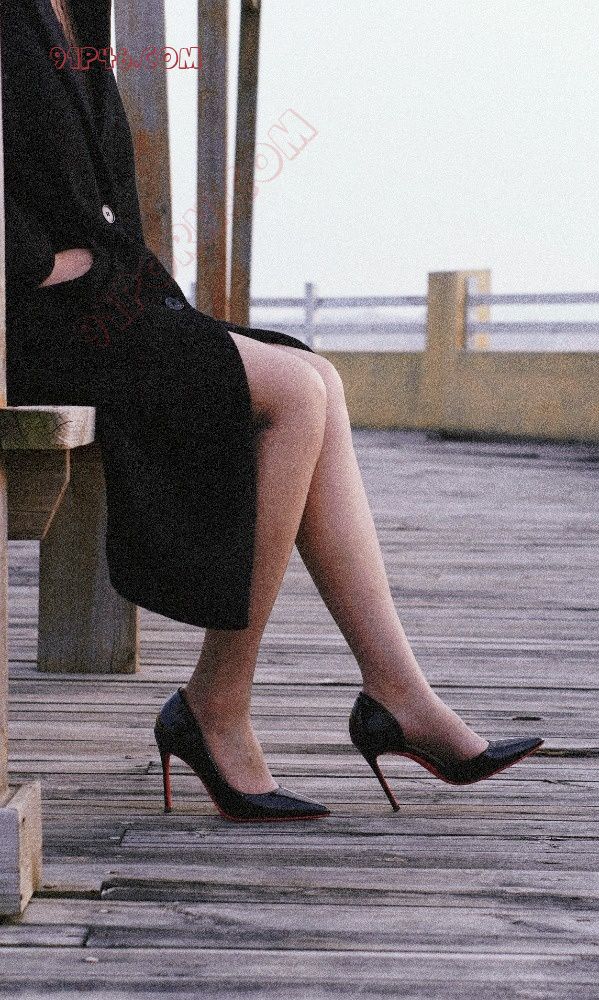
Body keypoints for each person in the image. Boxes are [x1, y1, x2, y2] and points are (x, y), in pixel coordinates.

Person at [2, 0, 543, 823]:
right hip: (36, 328)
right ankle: (220, 704)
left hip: (107, 302)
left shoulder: (80, 9)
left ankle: (397, 691)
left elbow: (101, 186)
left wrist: (126, 276)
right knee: (290, 393)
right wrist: (36, 262)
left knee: (316, 377)